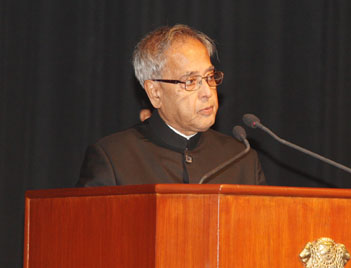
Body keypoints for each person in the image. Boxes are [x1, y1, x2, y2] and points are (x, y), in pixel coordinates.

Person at [77, 24, 265, 186]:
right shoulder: (114, 158)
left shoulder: (242, 159)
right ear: (155, 92)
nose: (207, 92)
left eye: (209, 77)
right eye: (190, 81)